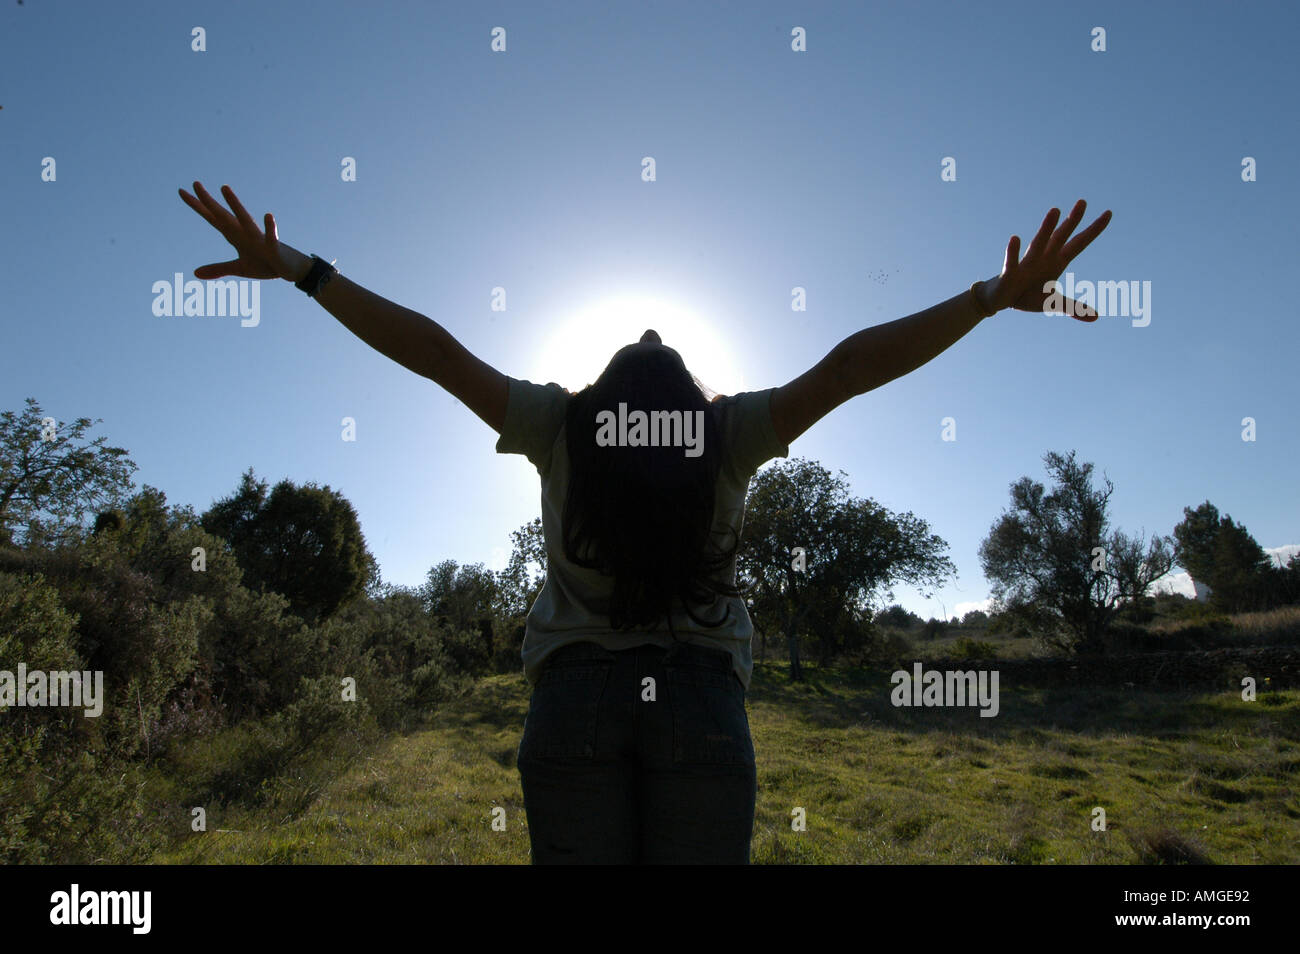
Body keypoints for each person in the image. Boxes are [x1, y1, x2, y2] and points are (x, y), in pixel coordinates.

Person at [179, 181, 1112, 864]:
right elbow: (850, 366)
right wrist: (987, 298)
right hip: (702, 705)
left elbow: (434, 353)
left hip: (573, 701)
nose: (656, 335)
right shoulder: (728, 432)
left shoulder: (559, 424)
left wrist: (305, 271)